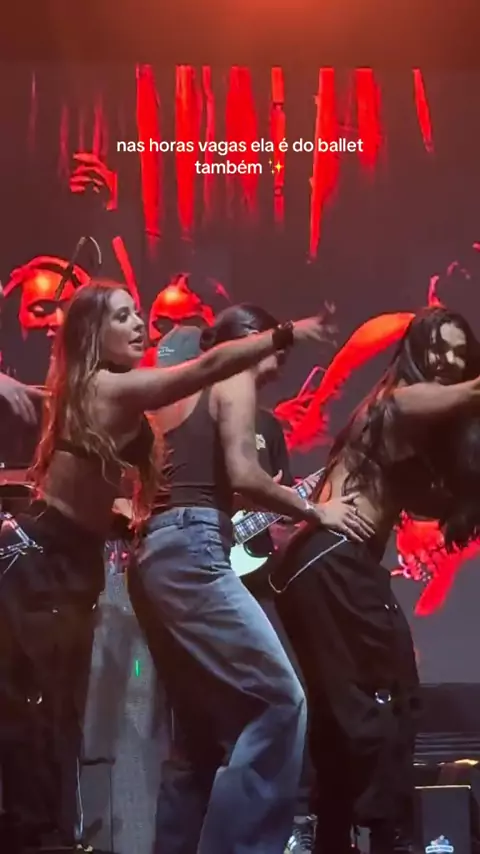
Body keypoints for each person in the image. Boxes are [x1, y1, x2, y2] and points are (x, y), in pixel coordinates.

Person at [0, 281, 332, 853]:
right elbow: (204, 369)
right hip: (42, 560)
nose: (137, 325)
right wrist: (283, 335)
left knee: (73, 725)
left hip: (76, 566)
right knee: (35, 726)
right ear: (92, 334)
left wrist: (125, 514)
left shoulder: (100, 393)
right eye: (123, 317)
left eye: (137, 314)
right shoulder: (104, 386)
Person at [128, 303, 374, 854]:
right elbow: (243, 473)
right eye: (274, 349)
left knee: (195, 735)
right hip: (194, 548)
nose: (278, 364)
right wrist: (317, 511)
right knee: (281, 701)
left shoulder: (173, 391)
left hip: (154, 556)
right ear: (253, 342)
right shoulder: (232, 374)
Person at [271, 306, 480, 854]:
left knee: (343, 711)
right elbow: (430, 402)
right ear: (414, 350)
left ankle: (332, 833)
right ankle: (389, 834)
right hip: (332, 560)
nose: (449, 360)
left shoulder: (411, 425)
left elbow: (421, 500)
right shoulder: (397, 400)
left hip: (321, 566)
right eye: (439, 347)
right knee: (393, 694)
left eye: (460, 352)